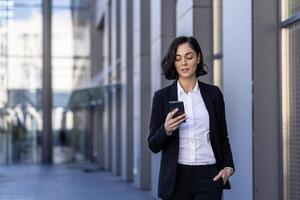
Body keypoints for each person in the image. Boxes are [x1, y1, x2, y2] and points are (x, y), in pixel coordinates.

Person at [148, 36, 235, 200]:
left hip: (209, 176)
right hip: (176, 178)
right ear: (173, 62)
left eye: (189, 57)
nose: (184, 63)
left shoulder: (213, 94)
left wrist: (229, 166)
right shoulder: (162, 97)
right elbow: (153, 144)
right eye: (178, 58)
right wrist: (165, 129)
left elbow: (223, 136)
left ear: (198, 58)